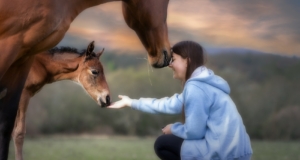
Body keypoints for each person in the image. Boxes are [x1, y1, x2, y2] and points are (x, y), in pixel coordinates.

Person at [108, 41, 253, 160]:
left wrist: (174, 128)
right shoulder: (203, 84)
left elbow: (195, 132)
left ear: (187, 62)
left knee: (163, 144)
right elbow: (168, 104)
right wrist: (131, 102)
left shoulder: (196, 87)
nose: (170, 64)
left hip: (223, 153)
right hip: (237, 152)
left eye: (174, 59)